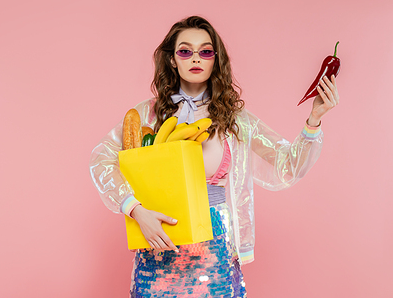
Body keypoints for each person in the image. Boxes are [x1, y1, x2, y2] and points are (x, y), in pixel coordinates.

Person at [89, 16, 339, 297]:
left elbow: (286, 165)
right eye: (185, 51)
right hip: (159, 242)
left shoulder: (235, 120)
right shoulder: (148, 114)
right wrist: (135, 209)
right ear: (172, 60)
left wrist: (314, 119)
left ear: (215, 60)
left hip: (215, 249)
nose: (195, 58)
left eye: (205, 51)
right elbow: (101, 160)